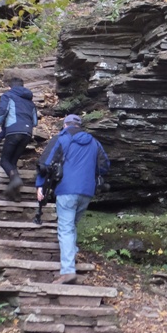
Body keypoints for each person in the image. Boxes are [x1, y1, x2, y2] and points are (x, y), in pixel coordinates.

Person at [37, 114, 109, 284]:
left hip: (66, 189)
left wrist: (40, 185)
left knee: (66, 228)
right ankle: (72, 251)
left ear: (65, 125)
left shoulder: (61, 138)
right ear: (79, 126)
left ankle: (68, 270)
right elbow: (105, 165)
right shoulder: (94, 142)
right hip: (87, 191)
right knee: (71, 225)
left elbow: (45, 164)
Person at [0, 77, 37, 201]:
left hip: (14, 131)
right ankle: (16, 195)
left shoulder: (8, 95)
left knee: (4, 161)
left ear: (10, 87)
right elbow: (35, 121)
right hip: (27, 133)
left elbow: (3, 111)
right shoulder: (30, 101)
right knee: (12, 162)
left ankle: (15, 180)